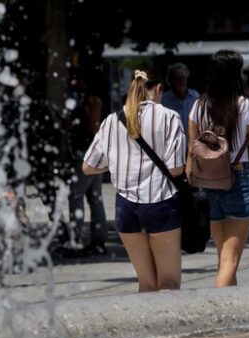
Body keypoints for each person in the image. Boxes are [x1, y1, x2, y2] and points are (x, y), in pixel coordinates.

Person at [82, 70, 186, 292]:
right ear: (157, 89)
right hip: (160, 201)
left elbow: (88, 166)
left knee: (146, 283)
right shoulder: (169, 116)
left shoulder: (111, 120)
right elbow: (176, 169)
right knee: (168, 283)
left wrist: (119, 162)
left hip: (126, 206)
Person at [187, 50, 249, 288]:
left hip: (208, 183)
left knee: (225, 258)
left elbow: (191, 151)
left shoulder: (198, 105)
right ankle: (215, 308)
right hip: (239, 180)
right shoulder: (246, 105)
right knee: (230, 259)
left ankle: (230, 311)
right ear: (235, 75)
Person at [67, 68, 109, 256]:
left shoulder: (92, 101)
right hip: (94, 154)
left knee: (76, 195)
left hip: (86, 154)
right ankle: (98, 239)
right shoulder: (87, 100)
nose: (74, 82)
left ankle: (76, 239)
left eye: (77, 78)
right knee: (95, 198)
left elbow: (93, 127)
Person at [161, 62, 200, 133]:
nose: (181, 82)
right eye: (176, 79)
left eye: (183, 78)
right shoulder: (164, 100)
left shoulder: (195, 96)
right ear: (171, 81)